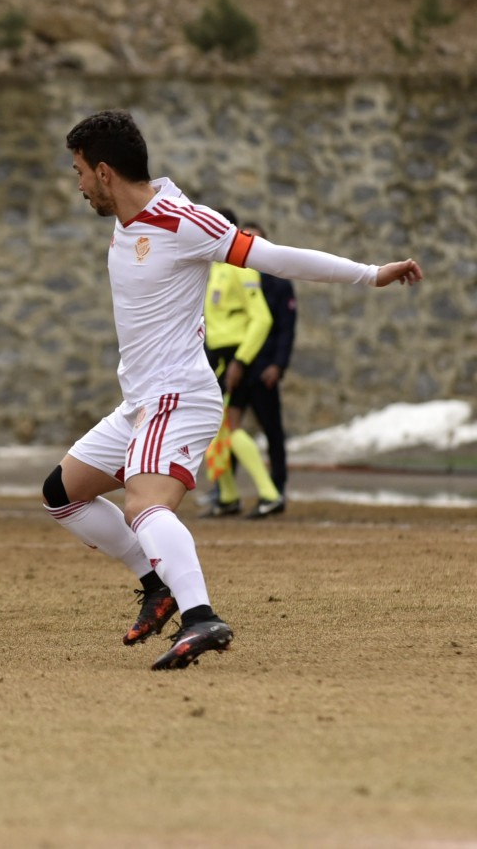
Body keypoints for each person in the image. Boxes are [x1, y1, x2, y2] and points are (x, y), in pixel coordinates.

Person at [42, 109, 422, 670]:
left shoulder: (184, 220)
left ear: (103, 172)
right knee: (63, 492)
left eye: (78, 171)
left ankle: (200, 617)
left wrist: (369, 273)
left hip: (179, 395)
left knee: (145, 504)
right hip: (142, 402)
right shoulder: (128, 223)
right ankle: (157, 585)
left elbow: (276, 258)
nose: (77, 185)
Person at [200, 207, 284, 520]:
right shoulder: (214, 266)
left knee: (231, 426)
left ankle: (270, 494)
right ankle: (228, 496)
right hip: (217, 357)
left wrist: (240, 360)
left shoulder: (239, 266)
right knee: (214, 427)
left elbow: (262, 319)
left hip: (235, 358)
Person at [241, 220, 297, 503]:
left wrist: (278, 365)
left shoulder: (279, 284)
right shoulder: (233, 278)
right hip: (237, 365)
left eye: (257, 242)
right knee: (227, 430)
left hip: (264, 369)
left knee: (272, 430)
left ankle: (277, 486)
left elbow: (286, 329)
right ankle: (224, 491)